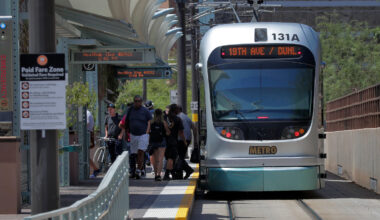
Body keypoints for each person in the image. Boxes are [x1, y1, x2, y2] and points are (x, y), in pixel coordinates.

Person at [120, 95, 152, 179]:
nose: (137, 103)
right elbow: (125, 122)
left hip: (143, 134)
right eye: (136, 101)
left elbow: (149, 121)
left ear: (141, 102)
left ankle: (138, 170)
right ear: (134, 101)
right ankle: (140, 168)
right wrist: (126, 133)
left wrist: (147, 132)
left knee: (141, 152)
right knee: (135, 153)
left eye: (139, 101)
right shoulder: (130, 110)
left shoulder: (145, 111)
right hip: (133, 135)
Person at [163, 104, 187, 180]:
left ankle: (173, 174)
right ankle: (166, 175)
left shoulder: (164, 118)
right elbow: (181, 132)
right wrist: (184, 141)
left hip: (163, 140)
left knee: (168, 158)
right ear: (175, 110)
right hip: (172, 141)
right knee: (171, 158)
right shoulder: (177, 119)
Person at [149, 108, 170, 181]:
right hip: (162, 140)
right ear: (161, 114)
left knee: (154, 159)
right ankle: (158, 175)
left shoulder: (151, 122)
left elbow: (148, 132)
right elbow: (168, 132)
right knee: (160, 159)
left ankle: (155, 174)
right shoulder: (163, 122)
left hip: (153, 141)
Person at [176, 106, 196, 179]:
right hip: (187, 139)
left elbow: (180, 131)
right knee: (180, 156)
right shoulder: (187, 117)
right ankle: (186, 170)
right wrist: (195, 140)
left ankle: (186, 171)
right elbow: (194, 127)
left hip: (181, 139)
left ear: (177, 110)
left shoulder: (177, 117)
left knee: (179, 157)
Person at [87, 109, 100, 178]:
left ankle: (96, 169)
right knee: (86, 156)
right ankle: (95, 169)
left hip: (87, 135)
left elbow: (87, 123)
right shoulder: (88, 113)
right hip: (88, 135)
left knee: (85, 156)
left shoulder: (87, 113)